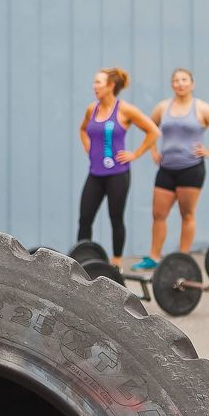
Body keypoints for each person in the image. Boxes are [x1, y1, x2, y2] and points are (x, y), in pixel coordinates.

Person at [134, 68, 209, 270]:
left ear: (192, 84)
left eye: (184, 80)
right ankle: (154, 257)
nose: (180, 83)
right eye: (176, 80)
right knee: (158, 214)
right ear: (172, 85)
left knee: (187, 214)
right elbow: (149, 128)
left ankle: (182, 258)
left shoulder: (202, 109)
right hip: (166, 169)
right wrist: (152, 150)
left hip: (191, 169)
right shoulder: (162, 107)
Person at [77, 67, 160, 268]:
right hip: (95, 173)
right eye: (94, 82)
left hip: (117, 175)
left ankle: (116, 262)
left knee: (116, 217)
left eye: (98, 82)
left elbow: (153, 131)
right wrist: (88, 147)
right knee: (85, 218)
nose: (94, 86)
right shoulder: (92, 109)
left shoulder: (125, 110)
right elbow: (83, 129)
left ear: (111, 86)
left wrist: (136, 153)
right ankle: (80, 260)